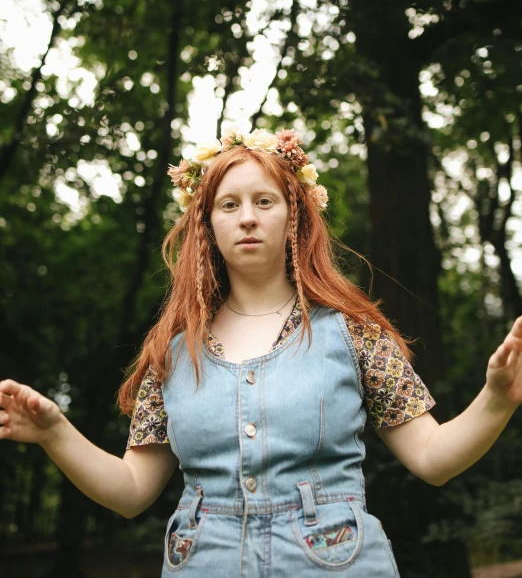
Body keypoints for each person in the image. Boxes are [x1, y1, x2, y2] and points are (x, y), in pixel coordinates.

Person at [1, 125, 521, 577]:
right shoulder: (171, 353)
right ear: (207, 225)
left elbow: (433, 458)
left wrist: (497, 398)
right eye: (229, 205)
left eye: (264, 201)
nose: (247, 217)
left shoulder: (354, 332)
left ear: (293, 215)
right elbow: (134, 489)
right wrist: (54, 433)